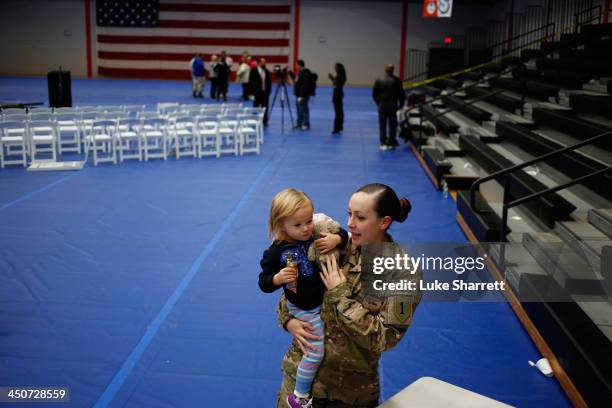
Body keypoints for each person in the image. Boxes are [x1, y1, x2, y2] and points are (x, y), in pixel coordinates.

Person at [276, 183, 422, 407]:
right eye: (349, 214)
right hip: (299, 381)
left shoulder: (404, 274)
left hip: (346, 394)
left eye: (360, 218)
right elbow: (293, 290)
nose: (349, 224)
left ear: (384, 222)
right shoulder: (332, 246)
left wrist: (340, 295)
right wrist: (288, 321)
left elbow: (385, 337)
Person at [259, 189, 349, 408]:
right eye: (298, 225)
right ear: (281, 225)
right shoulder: (274, 253)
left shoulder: (315, 234)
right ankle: (299, 396)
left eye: (308, 221)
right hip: (303, 308)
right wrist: (278, 279)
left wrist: (336, 238)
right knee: (315, 350)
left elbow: (344, 234)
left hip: (320, 302)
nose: (306, 228)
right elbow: (263, 282)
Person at [372, 64, 406, 150]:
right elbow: (402, 95)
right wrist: (401, 105)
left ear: (385, 70)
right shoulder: (397, 80)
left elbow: (374, 94)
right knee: (392, 125)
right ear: (393, 70)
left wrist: (378, 103)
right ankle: (391, 142)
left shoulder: (379, 79)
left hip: (382, 104)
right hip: (393, 104)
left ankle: (383, 142)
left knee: (382, 125)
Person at [289, 60, 313, 131]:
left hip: (303, 95)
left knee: (304, 109)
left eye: (296, 65)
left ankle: (306, 124)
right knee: (299, 110)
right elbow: (296, 80)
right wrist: (290, 72)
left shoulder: (305, 73)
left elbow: (305, 85)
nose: (296, 66)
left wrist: (302, 96)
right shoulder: (299, 72)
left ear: (300, 65)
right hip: (298, 94)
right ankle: (299, 123)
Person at [248, 57, 272, 127]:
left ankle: (264, 120)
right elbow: (251, 82)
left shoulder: (266, 71)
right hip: (257, 92)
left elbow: (269, 82)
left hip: (265, 92)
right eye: (263, 62)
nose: (264, 63)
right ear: (259, 63)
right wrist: (251, 93)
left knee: (265, 107)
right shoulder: (254, 70)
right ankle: (254, 119)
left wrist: (269, 91)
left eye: (265, 62)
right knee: (256, 107)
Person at [328, 63, 346, 134]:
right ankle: (340, 126)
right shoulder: (342, 76)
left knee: (338, 112)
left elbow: (337, 84)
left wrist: (332, 78)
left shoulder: (340, 76)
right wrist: (332, 79)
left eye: (336, 68)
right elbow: (336, 83)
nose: (335, 69)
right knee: (339, 111)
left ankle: (336, 128)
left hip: (337, 94)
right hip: (338, 93)